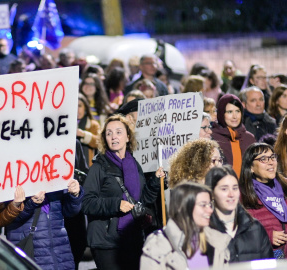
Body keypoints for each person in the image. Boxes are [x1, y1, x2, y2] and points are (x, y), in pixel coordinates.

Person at [82, 114, 163, 270]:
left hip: (132, 238)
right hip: (106, 242)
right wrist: (116, 204)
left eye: (118, 132)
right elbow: (86, 203)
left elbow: (141, 200)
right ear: (105, 139)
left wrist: (154, 182)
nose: (113, 136)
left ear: (128, 137)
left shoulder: (134, 164)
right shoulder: (98, 167)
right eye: (109, 133)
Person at [140, 182, 230, 270]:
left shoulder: (217, 241)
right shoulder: (158, 245)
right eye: (203, 205)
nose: (210, 210)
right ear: (184, 208)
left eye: (210, 205)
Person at [5, 180, 83, 269]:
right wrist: (30, 204)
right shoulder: (14, 176)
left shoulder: (55, 175)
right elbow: (5, 218)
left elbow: (70, 212)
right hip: (32, 252)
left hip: (61, 253)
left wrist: (74, 196)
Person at [206, 165, 273, 262]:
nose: (231, 194)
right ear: (212, 193)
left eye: (235, 188)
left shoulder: (255, 228)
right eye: (224, 189)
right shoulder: (203, 231)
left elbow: (269, 266)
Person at [239, 143, 287, 258]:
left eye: (272, 157)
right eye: (263, 159)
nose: (271, 162)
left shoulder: (285, 186)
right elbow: (238, 233)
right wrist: (267, 235)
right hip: (265, 258)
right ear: (251, 167)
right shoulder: (242, 196)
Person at [211, 94, 255, 177]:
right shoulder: (212, 137)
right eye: (230, 112)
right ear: (221, 113)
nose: (235, 116)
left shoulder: (249, 138)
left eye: (238, 111)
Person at [77, 93, 100, 167]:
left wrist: (84, 135)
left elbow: (100, 142)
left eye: (80, 106)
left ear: (85, 107)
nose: (77, 109)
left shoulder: (93, 125)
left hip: (88, 167)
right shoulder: (64, 125)